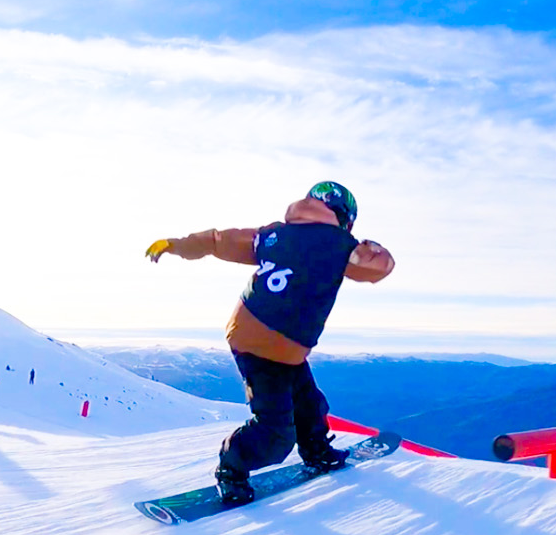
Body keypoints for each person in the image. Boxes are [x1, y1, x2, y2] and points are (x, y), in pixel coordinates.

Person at [146, 181, 395, 504]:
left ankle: (316, 449)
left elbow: (218, 241)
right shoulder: (340, 245)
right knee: (275, 433)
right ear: (345, 216)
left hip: (259, 335)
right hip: (266, 347)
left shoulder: (272, 235)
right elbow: (377, 269)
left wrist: (175, 245)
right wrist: (371, 247)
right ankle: (231, 470)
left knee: (309, 403)